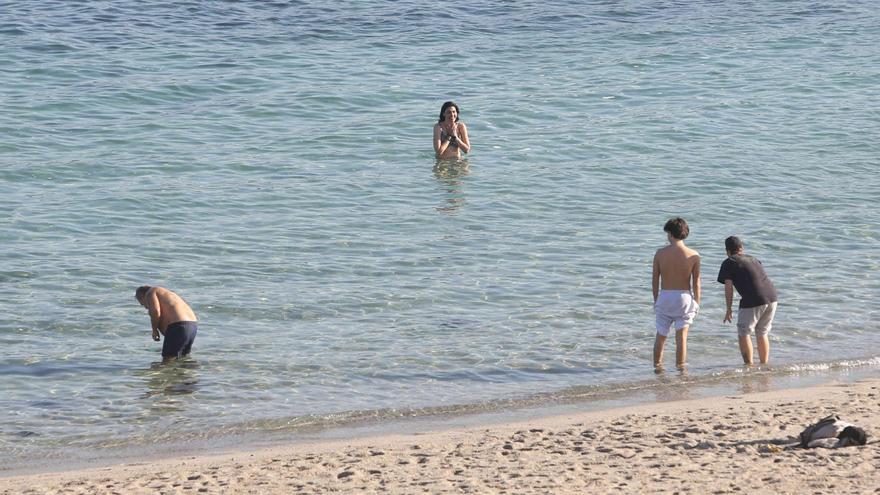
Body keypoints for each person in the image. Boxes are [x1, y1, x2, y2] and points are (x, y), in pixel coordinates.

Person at [717, 236, 778, 365]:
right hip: (772, 297)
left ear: (727, 251)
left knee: (744, 333)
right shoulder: (754, 259)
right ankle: (764, 365)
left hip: (753, 298)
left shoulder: (729, 262)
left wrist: (728, 308)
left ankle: (749, 367)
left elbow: (728, 287)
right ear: (741, 248)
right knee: (762, 332)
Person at [652, 217, 701, 369]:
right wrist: (697, 302)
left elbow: (655, 280)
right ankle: (680, 368)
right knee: (682, 338)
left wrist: (656, 299)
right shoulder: (694, 255)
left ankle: (658, 367)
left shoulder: (660, 253)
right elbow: (696, 282)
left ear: (671, 234)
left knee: (661, 336)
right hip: (684, 298)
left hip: (665, 296)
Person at [135, 286, 198, 360]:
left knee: (168, 360)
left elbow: (155, 311)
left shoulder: (151, 292)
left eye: (143, 304)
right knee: (183, 359)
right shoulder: (167, 294)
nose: (146, 307)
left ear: (142, 296)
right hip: (192, 326)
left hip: (179, 326)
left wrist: (154, 330)